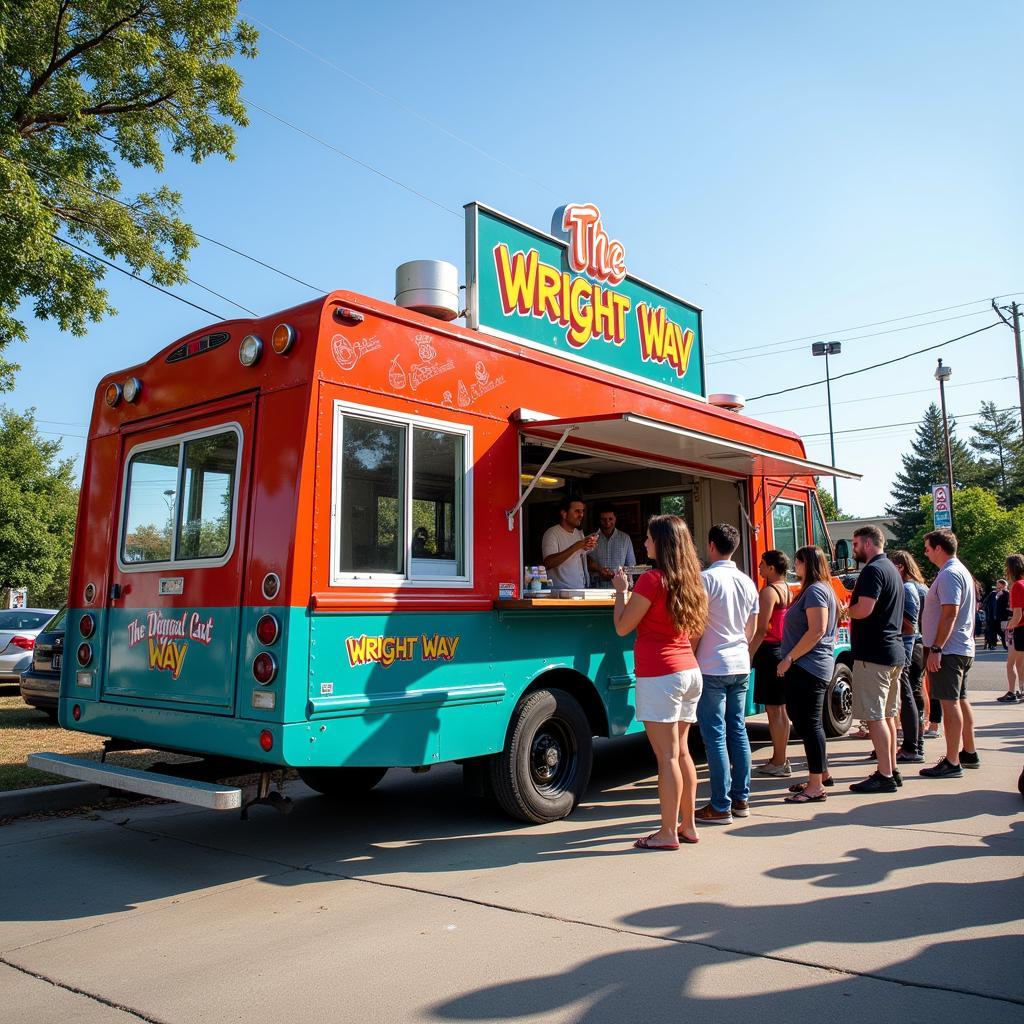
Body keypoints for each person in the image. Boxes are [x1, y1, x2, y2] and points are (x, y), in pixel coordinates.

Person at [611, 515, 708, 849]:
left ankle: (667, 833)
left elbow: (623, 626)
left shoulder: (651, 580)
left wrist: (620, 593)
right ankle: (688, 826)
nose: (645, 543)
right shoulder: (692, 580)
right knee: (682, 753)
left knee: (666, 757)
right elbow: (696, 631)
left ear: (662, 543)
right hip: (688, 671)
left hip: (660, 674)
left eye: (650, 538)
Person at [695, 523, 759, 824]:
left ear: (711, 546)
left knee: (716, 736)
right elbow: (753, 627)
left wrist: (693, 655)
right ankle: (741, 799)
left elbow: (696, 626)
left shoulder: (704, 580)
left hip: (712, 665)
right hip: (740, 663)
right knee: (738, 731)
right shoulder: (747, 581)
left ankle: (720, 805)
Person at [776, 546, 838, 803]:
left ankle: (815, 787)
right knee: (804, 721)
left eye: (798, 562)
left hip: (808, 667)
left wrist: (790, 658)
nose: (794, 566)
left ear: (806, 564)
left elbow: (817, 630)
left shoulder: (816, 591)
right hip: (810, 665)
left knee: (810, 724)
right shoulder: (818, 589)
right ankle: (820, 774)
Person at [846, 524, 905, 794]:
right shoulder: (892, 569)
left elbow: (865, 609)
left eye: (855, 544)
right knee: (889, 715)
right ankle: (891, 768)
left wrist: (846, 611)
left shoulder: (872, 570)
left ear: (868, 543)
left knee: (875, 717)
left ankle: (884, 774)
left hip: (874, 654)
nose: (854, 549)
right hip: (893, 652)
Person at [919, 528, 979, 778]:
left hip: (949, 650)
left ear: (939, 548)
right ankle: (968, 752)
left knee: (950, 702)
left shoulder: (949, 574)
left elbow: (950, 611)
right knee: (960, 699)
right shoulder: (958, 570)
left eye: (927, 548)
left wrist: (936, 648)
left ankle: (953, 761)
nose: (925, 552)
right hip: (959, 647)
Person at [749, 550, 794, 777]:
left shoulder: (768, 592)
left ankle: (779, 760)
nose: (759, 568)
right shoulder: (788, 589)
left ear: (772, 568)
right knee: (781, 710)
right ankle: (781, 757)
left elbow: (762, 628)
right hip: (782, 650)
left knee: (773, 710)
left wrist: (749, 654)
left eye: (763, 564)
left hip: (769, 653)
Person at [889, 549, 929, 763]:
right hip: (919, 645)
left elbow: (909, 625)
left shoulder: (906, 588)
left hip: (909, 645)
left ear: (900, 567)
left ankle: (912, 746)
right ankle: (916, 744)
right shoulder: (920, 587)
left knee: (907, 696)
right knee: (914, 694)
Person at [541, 497, 597, 591]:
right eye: (577, 511)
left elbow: (577, 560)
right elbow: (548, 563)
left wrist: (588, 548)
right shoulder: (552, 533)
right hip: (560, 594)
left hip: (580, 590)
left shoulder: (579, 534)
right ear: (564, 514)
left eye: (582, 511)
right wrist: (577, 546)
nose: (581, 515)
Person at [588, 504, 635, 588]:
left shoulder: (625, 538)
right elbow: (584, 564)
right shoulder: (591, 539)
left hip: (619, 589)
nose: (607, 522)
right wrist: (599, 570)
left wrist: (615, 574)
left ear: (615, 519)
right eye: (603, 519)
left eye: (610, 519)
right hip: (595, 588)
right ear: (599, 520)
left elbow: (631, 566)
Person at [1002, 555, 1024, 703]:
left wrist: (1009, 626)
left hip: (1020, 629)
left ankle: (1011, 691)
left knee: (1011, 664)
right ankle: (1022, 690)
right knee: (1021, 663)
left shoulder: (1017, 586)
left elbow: (1017, 615)